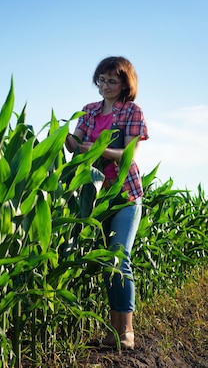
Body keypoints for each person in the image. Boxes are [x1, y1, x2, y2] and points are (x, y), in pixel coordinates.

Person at [64, 56, 149, 350]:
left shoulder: (133, 112)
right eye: (101, 80)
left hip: (124, 195)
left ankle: (127, 331)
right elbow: (75, 143)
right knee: (104, 262)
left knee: (118, 257)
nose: (105, 86)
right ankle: (113, 331)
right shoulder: (88, 111)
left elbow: (128, 155)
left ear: (125, 83)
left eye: (112, 80)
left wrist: (96, 147)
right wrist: (67, 140)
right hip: (94, 197)